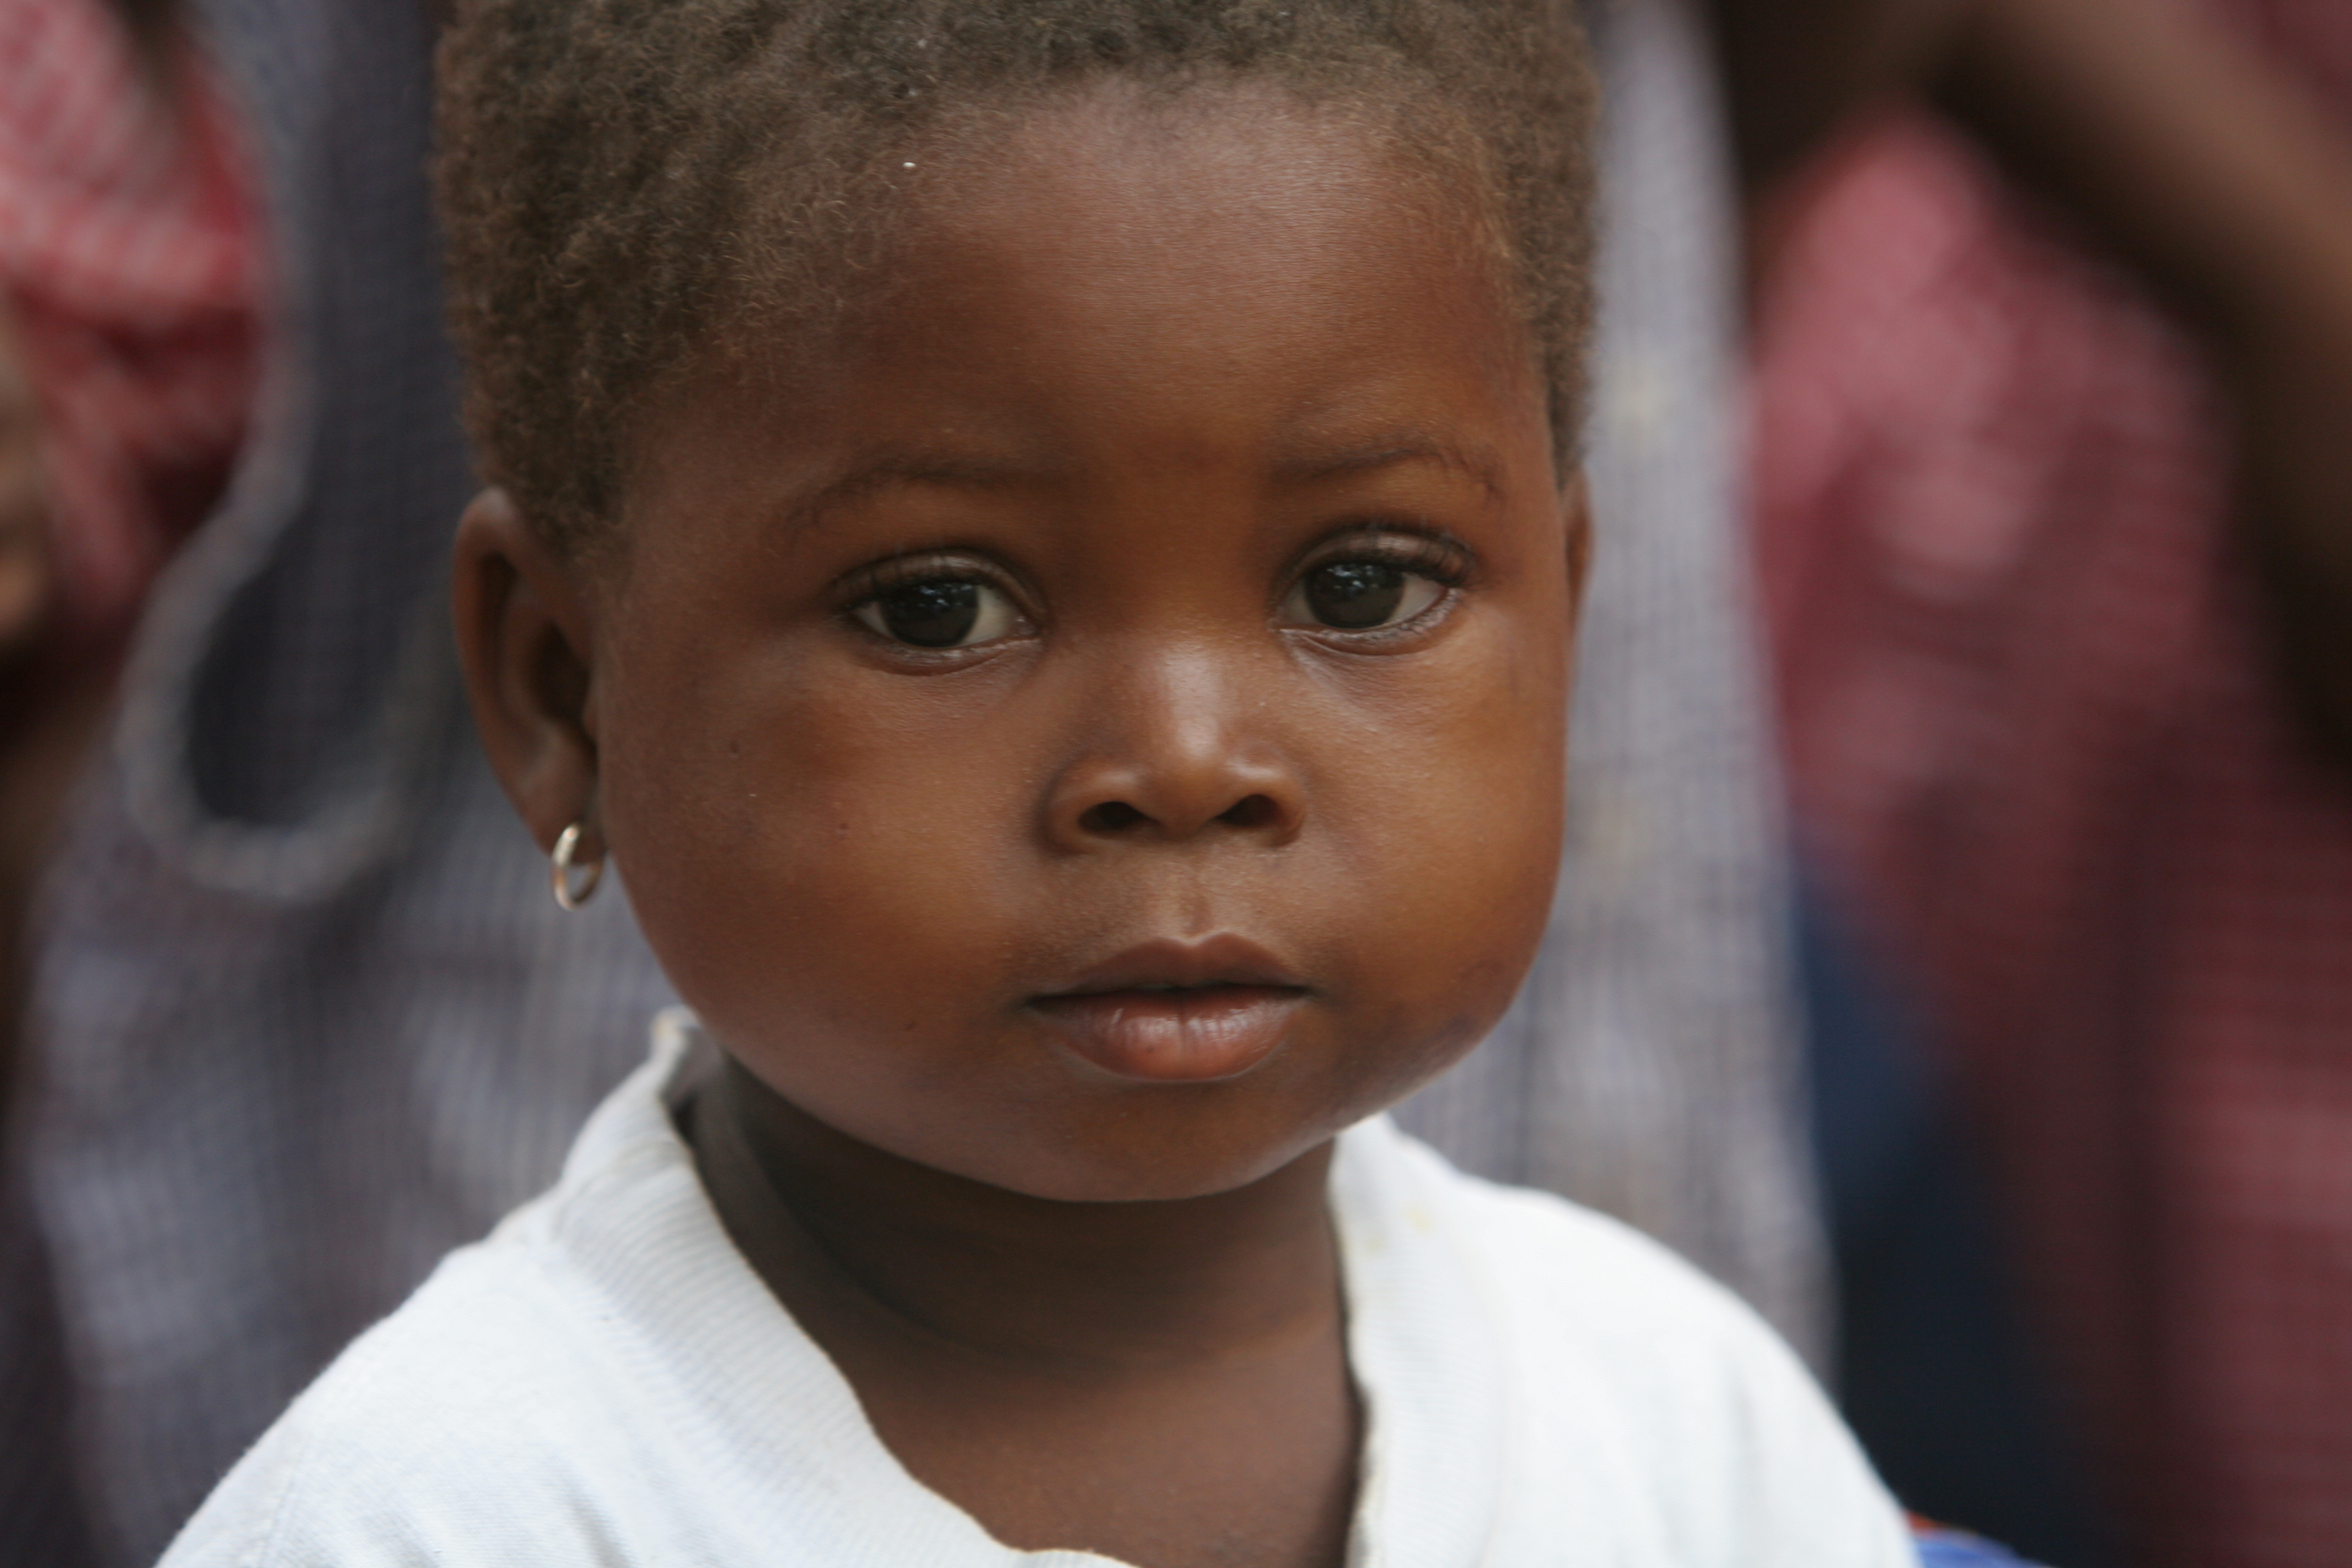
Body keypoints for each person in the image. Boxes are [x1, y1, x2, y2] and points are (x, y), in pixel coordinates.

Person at [154, 3, 1911, 1563]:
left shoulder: (1675, 1427)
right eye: (940, 608)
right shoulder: (445, 1519)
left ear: (1571, 618)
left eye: (1361, 585)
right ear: (562, 691)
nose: (1184, 766)